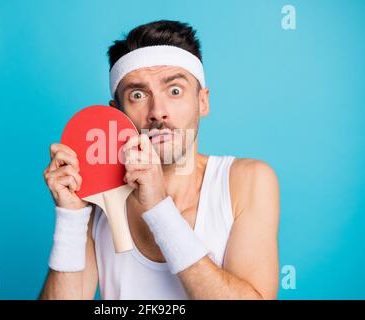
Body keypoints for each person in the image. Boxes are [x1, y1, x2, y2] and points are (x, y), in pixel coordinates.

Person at [40, 20, 280, 300]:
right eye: (138, 95)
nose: (158, 112)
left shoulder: (246, 181)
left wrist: (158, 208)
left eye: (175, 90)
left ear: (202, 101)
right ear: (117, 113)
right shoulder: (96, 199)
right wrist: (71, 218)